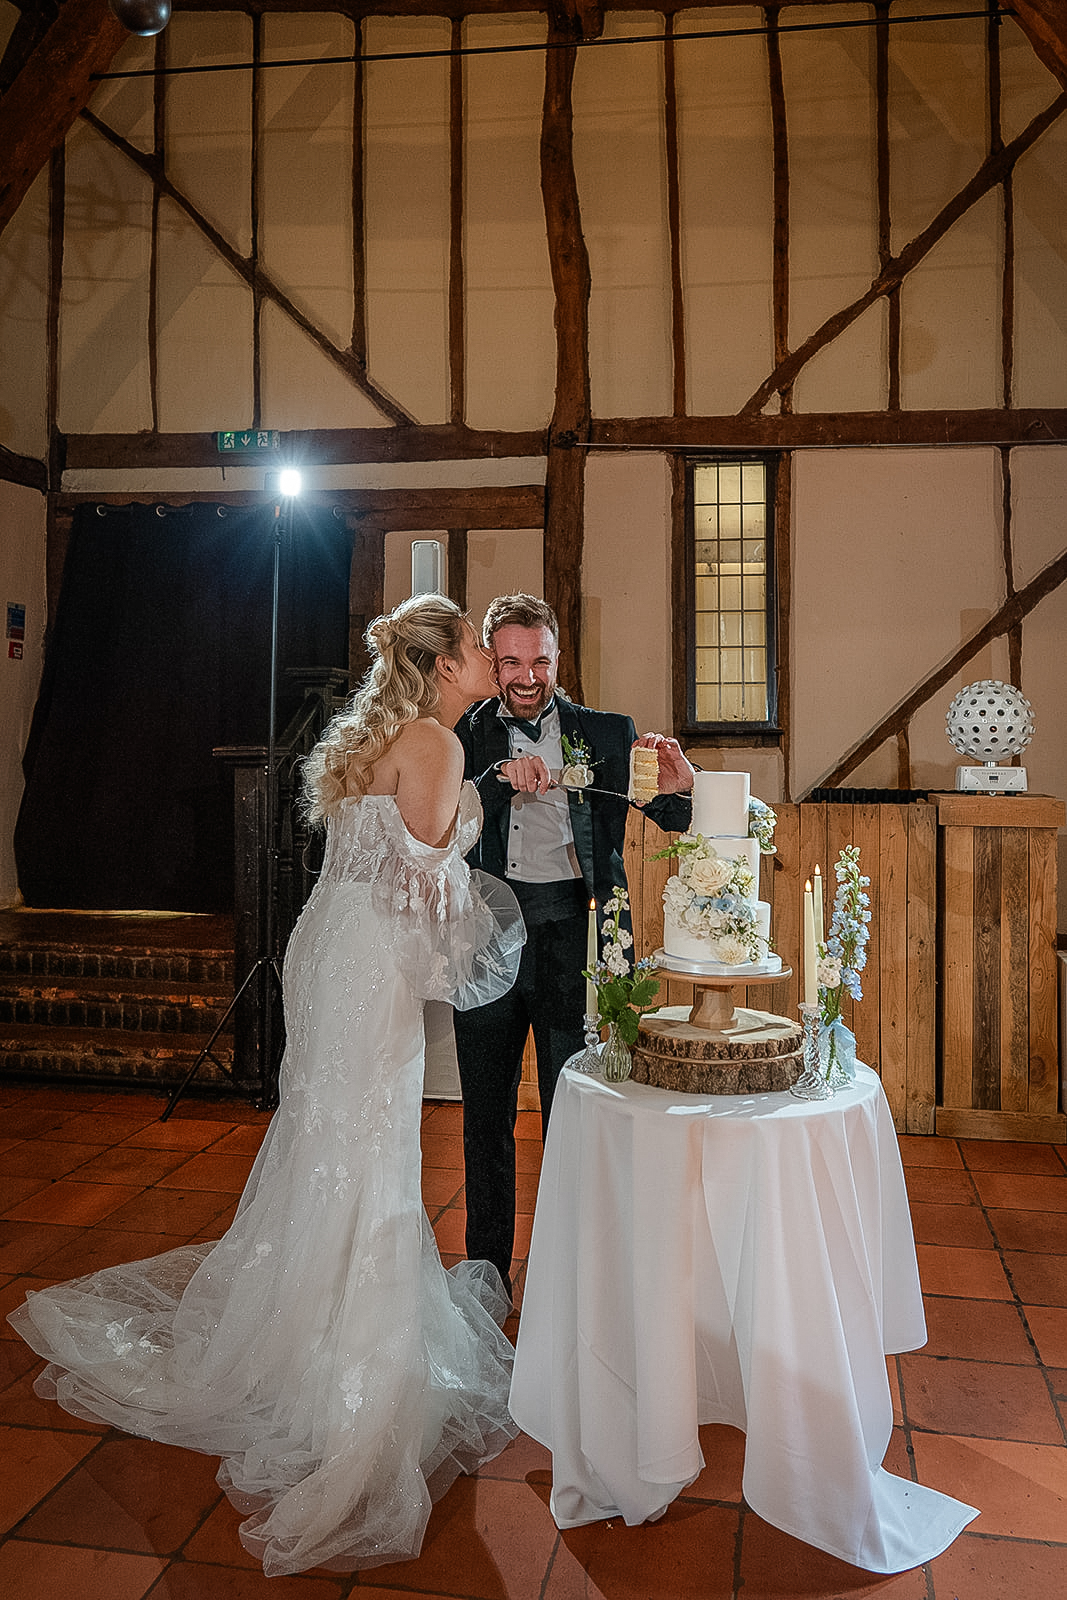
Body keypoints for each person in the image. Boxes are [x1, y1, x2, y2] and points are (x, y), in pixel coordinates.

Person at [7, 595, 528, 1578]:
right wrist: (473, 869)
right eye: (476, 651)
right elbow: (421, 886)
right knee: (366, 1147)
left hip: (327, 948)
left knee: (327, 1140)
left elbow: (368, 864)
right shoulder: (436, 745)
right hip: (370, 967)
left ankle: (294, 1337)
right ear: (447, 663)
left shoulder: (373, 735)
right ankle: (350, 1367)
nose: (487, 666)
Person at [453, 593, 695, 1290]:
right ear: (492, 663)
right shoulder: (465, 734)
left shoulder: (607, 732)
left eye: (539, 661)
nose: (526, 676)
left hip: (578, 939)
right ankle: (484, 1274)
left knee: (574, 1112)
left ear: (558, 658)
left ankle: (571, 1277)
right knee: (484, 1115)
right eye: (510, 662)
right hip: (487, 940)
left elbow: (670, 815)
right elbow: (442, 815)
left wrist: (684, 784)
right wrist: (497, 782)